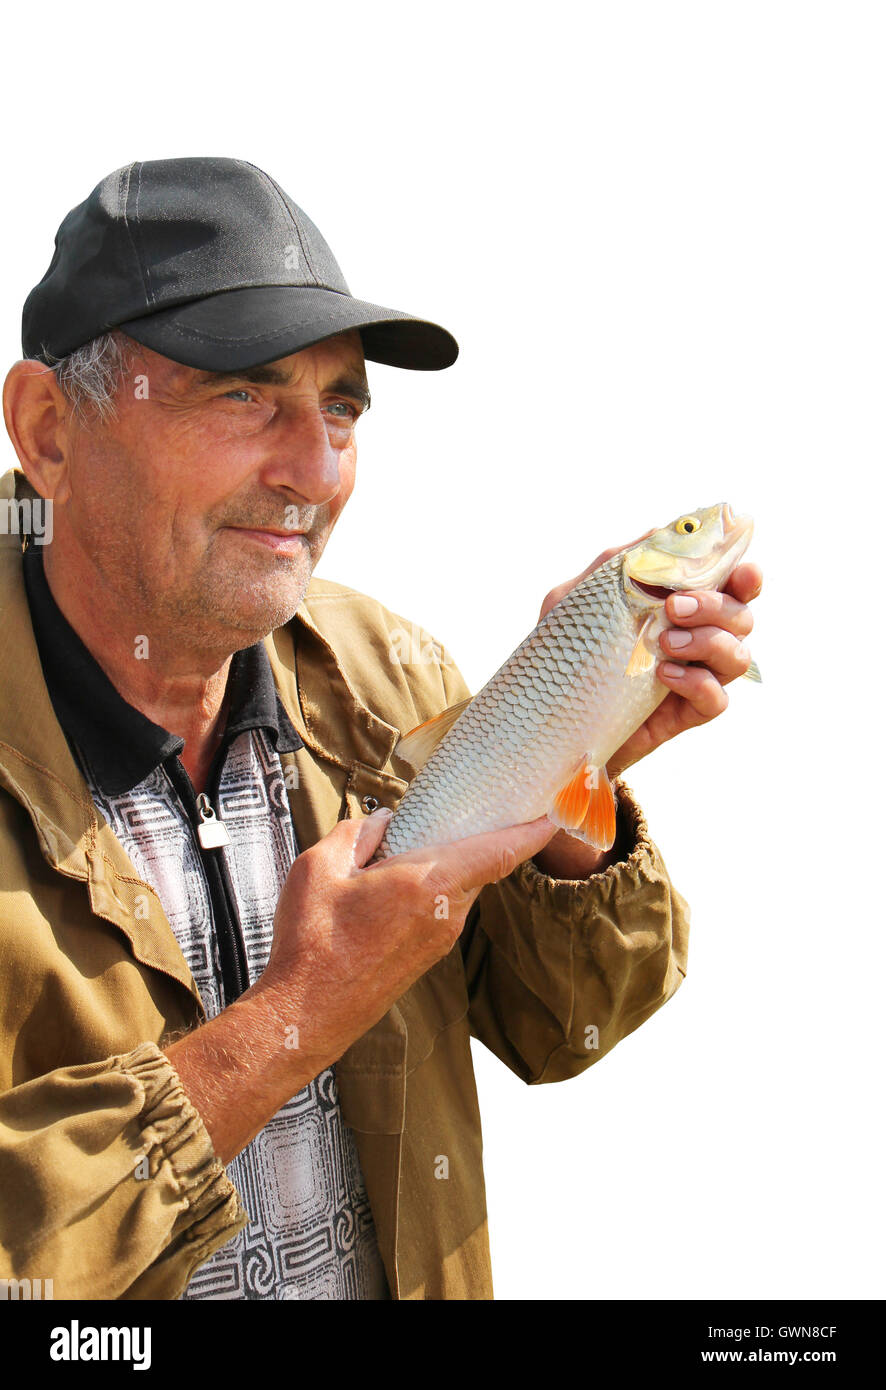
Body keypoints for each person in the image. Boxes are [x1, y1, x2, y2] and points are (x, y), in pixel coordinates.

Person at [0, 158, 761, 1301]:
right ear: (50, 431)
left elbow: (567, 1029)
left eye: (343, 406)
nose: (314, 469)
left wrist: (567, 775)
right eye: (242, 395)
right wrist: (299, 1015)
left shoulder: (387, 675)